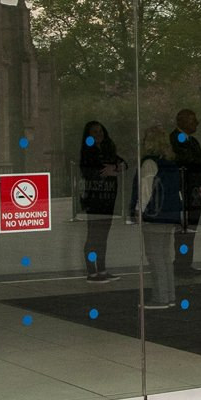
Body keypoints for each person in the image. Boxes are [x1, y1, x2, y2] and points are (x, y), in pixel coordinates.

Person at [136, 126, 184, 307]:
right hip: (170, 213)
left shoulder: (149, 163)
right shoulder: (170, 163)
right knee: (165, 256)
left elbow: (146, 190)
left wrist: (139, 210)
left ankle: (160, 297)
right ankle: (169, 295)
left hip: (155, 215)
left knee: (154, 257)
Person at [78, 120, 126, 281]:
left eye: (100, 131)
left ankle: (102, 269)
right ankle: (92, 271)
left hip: (108, 198)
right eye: (95, 132)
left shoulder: (108, 150)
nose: (99, 135)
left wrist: (115, 169)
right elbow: (92, 172)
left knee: (103, 235)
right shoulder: (87, 153)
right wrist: (111, 170)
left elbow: (124, 164)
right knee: (93, 235)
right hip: (94, 199)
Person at [170, 108, 201, 276]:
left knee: (190, 229)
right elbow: (187, 163)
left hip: (194, 192)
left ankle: (185, 263)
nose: (196, 123)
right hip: (183, 191)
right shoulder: (174, 140)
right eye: (192, 120)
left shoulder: (193, 142)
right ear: (182, 121)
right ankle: (181, 264)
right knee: (183, 230)